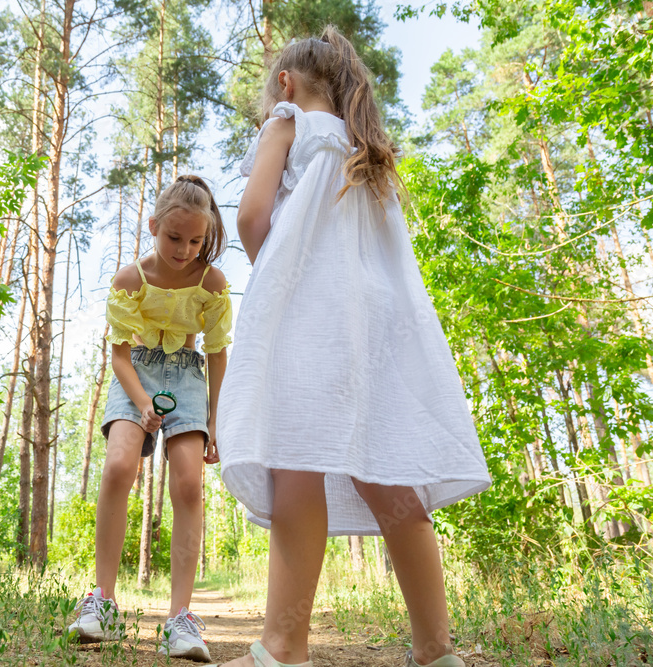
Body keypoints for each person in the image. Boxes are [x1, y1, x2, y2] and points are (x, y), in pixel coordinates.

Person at [212, 28, 491, 667]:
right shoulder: (369, 149)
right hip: (381, 328)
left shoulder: (287, 124)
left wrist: (274, 273)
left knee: (296, 463)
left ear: (286, 84)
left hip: (313, 320)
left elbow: (254, 217)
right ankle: (437, 651)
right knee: (389, 475)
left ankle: (283, 648)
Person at [67, 175, 232, 663]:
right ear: (154, 226)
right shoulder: (129, 280)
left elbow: (218, 356)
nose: (184, 249)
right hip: (136, 372)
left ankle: (180, 618)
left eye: (196, 240)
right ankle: (103, 601)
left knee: (188, 484)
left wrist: (216, 422)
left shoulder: (212, 284)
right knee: (119, 466)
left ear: (207, 235)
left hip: (187, 376)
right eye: (173, 238)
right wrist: (140, 402)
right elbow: (118, 356)